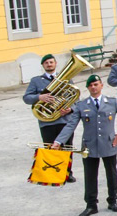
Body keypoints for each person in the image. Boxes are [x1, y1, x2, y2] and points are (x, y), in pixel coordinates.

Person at [54, 74, 117, 216]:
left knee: (111, 173)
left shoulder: (112, 102)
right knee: (90, 175)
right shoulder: (81, 105)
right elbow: (71, 125)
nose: (93, 87)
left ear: (101, 85)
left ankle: (113, 200)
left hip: (109, 143)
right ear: (88, 88)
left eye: (96, 84)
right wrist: (58, 141)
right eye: (90, 85)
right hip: (89, 145)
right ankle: (91, 205)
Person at [23, 53, 77, 183]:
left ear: (55, 63)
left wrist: (70, 109)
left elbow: (75, 97)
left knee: (66, 147)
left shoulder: (66, 79)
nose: (49, 64)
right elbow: (26, 98)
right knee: (50, 147)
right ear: (43, 65)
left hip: (64, 120)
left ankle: (67, 173)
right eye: (46, 63)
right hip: (47, 121)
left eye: (51, 62)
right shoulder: (36, 81)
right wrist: (39, 97)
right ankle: (53, 174)